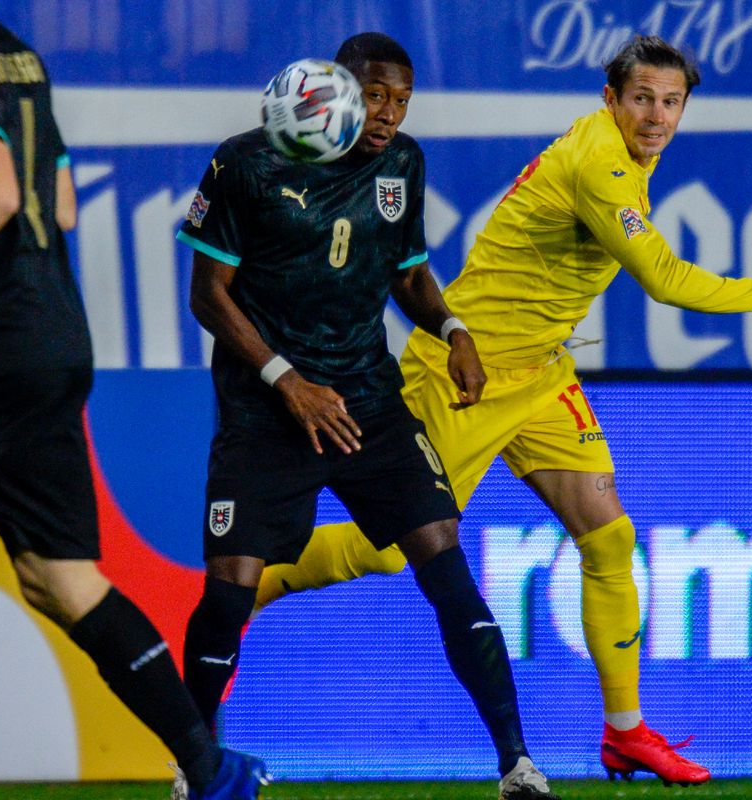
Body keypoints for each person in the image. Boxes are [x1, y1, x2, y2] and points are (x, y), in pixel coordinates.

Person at [246, 34, 752, 786]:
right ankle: (235, 594)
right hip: (470, 370)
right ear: (609, 99)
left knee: (609, 538)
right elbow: (665, 281)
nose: (656, 116)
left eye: (671, 102)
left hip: (543, 373)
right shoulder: (602, 165)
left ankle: (624, 733)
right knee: (387, 549)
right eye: (642, 99)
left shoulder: (627, 154)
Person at [0, 3, 265, 799]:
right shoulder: (18, 58)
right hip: (57, 342)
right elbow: (54, 202)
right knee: (62, 578)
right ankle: (212, 769)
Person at [175, 32, 557, 800]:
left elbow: (408, 273)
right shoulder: (243, 163)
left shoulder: (402, 163)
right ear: (338, 86)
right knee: (230, 583)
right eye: (377, 95)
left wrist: (452, 331)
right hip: (266, 410)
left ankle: (517, 765)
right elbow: (206, 294)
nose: (388, 114)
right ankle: (197, 767)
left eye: (401, 100)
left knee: (444, 554)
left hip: (367, 403)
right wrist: (287, 380)